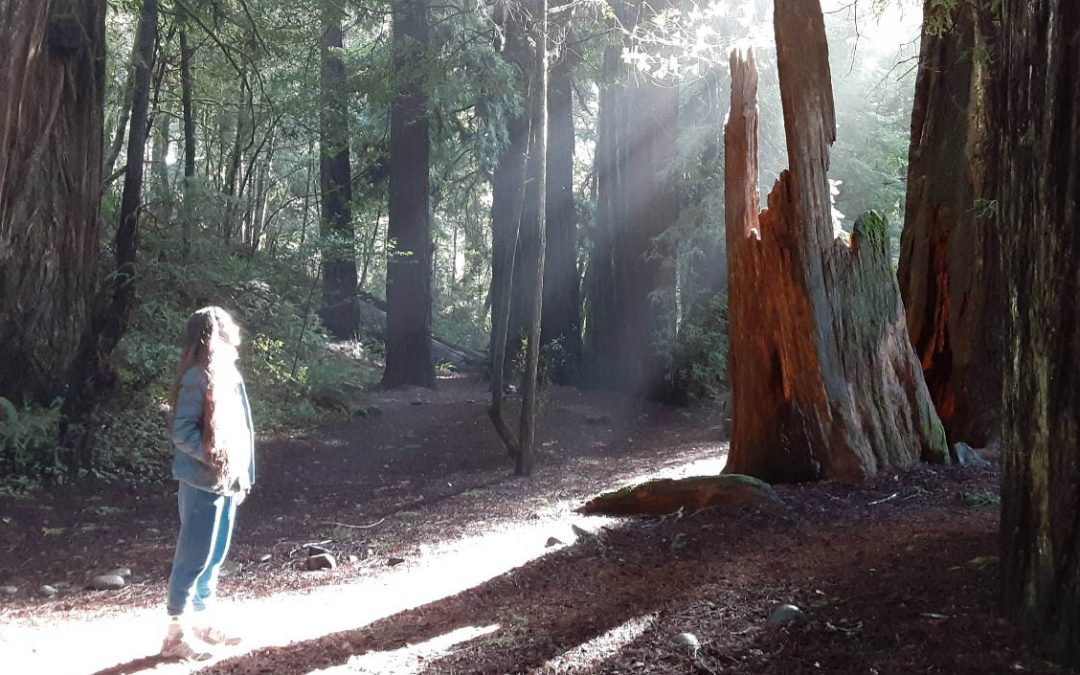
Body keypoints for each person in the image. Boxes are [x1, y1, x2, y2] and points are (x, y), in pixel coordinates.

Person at [160, 306, 255, 661]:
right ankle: (174, 633)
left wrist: (243, 475)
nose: (235, 330)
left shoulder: (230, 374)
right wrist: (214, 458)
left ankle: (202, 621)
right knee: (193, 557)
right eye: (227, 326)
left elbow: (244, 431)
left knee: (214, 557)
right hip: (201, 483)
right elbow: (182, 432)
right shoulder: (196, 378)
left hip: (227, 483)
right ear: (214, 334)